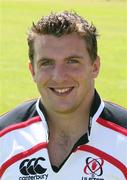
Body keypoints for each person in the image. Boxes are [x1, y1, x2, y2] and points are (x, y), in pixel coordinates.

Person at [0, 11, 127, 180]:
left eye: (72, 61)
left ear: (95, 66)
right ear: (33, 71)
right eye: (46, 63)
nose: (59, 77)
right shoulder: (5, 138)